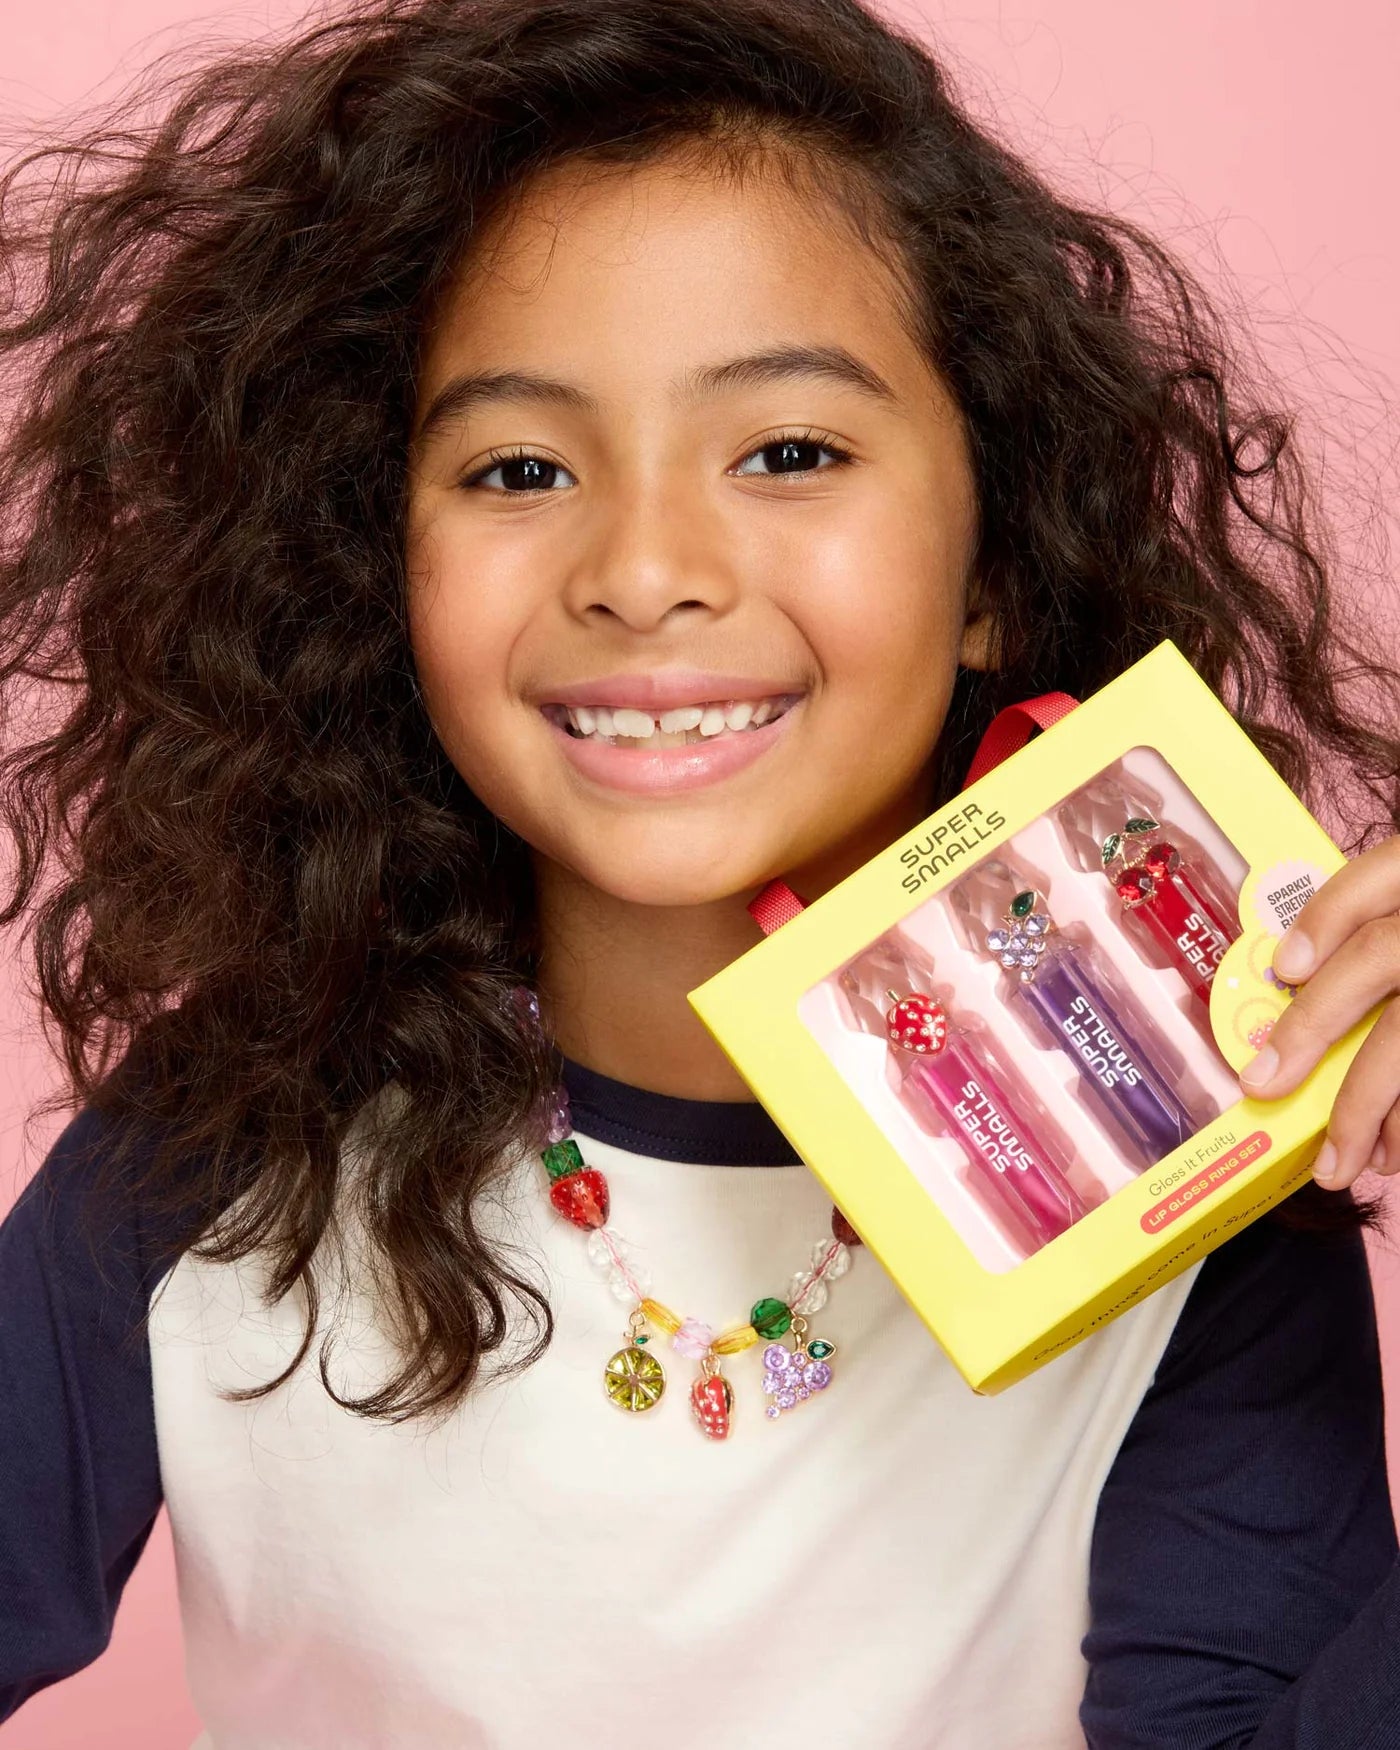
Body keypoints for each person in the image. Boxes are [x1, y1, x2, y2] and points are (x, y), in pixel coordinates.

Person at [1, 0, 1398, 1744]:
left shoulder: (1211, 1192)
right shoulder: (212, 1156)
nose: (645, 567)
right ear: (379, 569)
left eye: (789, 452)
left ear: (996, 560)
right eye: (519, 468)